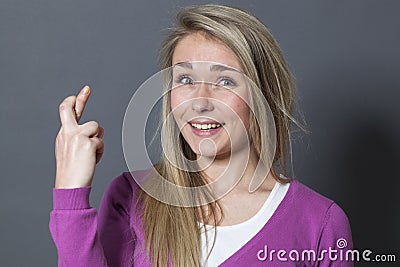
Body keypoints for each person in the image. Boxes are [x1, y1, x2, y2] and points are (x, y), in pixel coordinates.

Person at [50, 4, 353, 267]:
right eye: (185, 79)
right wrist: (70, 192)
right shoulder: (132, 197)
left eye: (224, 80)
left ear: (264, 96)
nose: (200, 100)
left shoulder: (320, 223)